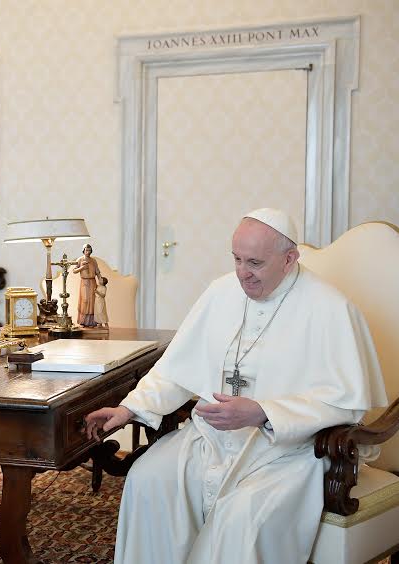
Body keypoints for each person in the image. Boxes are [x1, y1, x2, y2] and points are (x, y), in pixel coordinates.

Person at [83, 208, 387, 564]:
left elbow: (346, 403)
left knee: (243, 516)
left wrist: (264, 413)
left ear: (289, 259)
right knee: (148, 479)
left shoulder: (331, 308)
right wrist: (129, 408)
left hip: (287, 451)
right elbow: (177, 369)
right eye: (237, 259)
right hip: (210, 439)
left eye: (255, 263)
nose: (242, 273)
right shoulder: (220, 292)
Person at [73, 244, 101, 326]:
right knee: (85, 300)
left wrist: (100, 279)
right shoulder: (80, 259)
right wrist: (82, 268)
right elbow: (74, 271)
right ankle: (83, 321)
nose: (88, 252)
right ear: (83, 251)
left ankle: (92, 321)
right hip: (84, 282)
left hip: (92, 282)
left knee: (92, 301)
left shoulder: (93, 260)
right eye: (86, 250)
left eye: (89, 250)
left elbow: (97, 271)